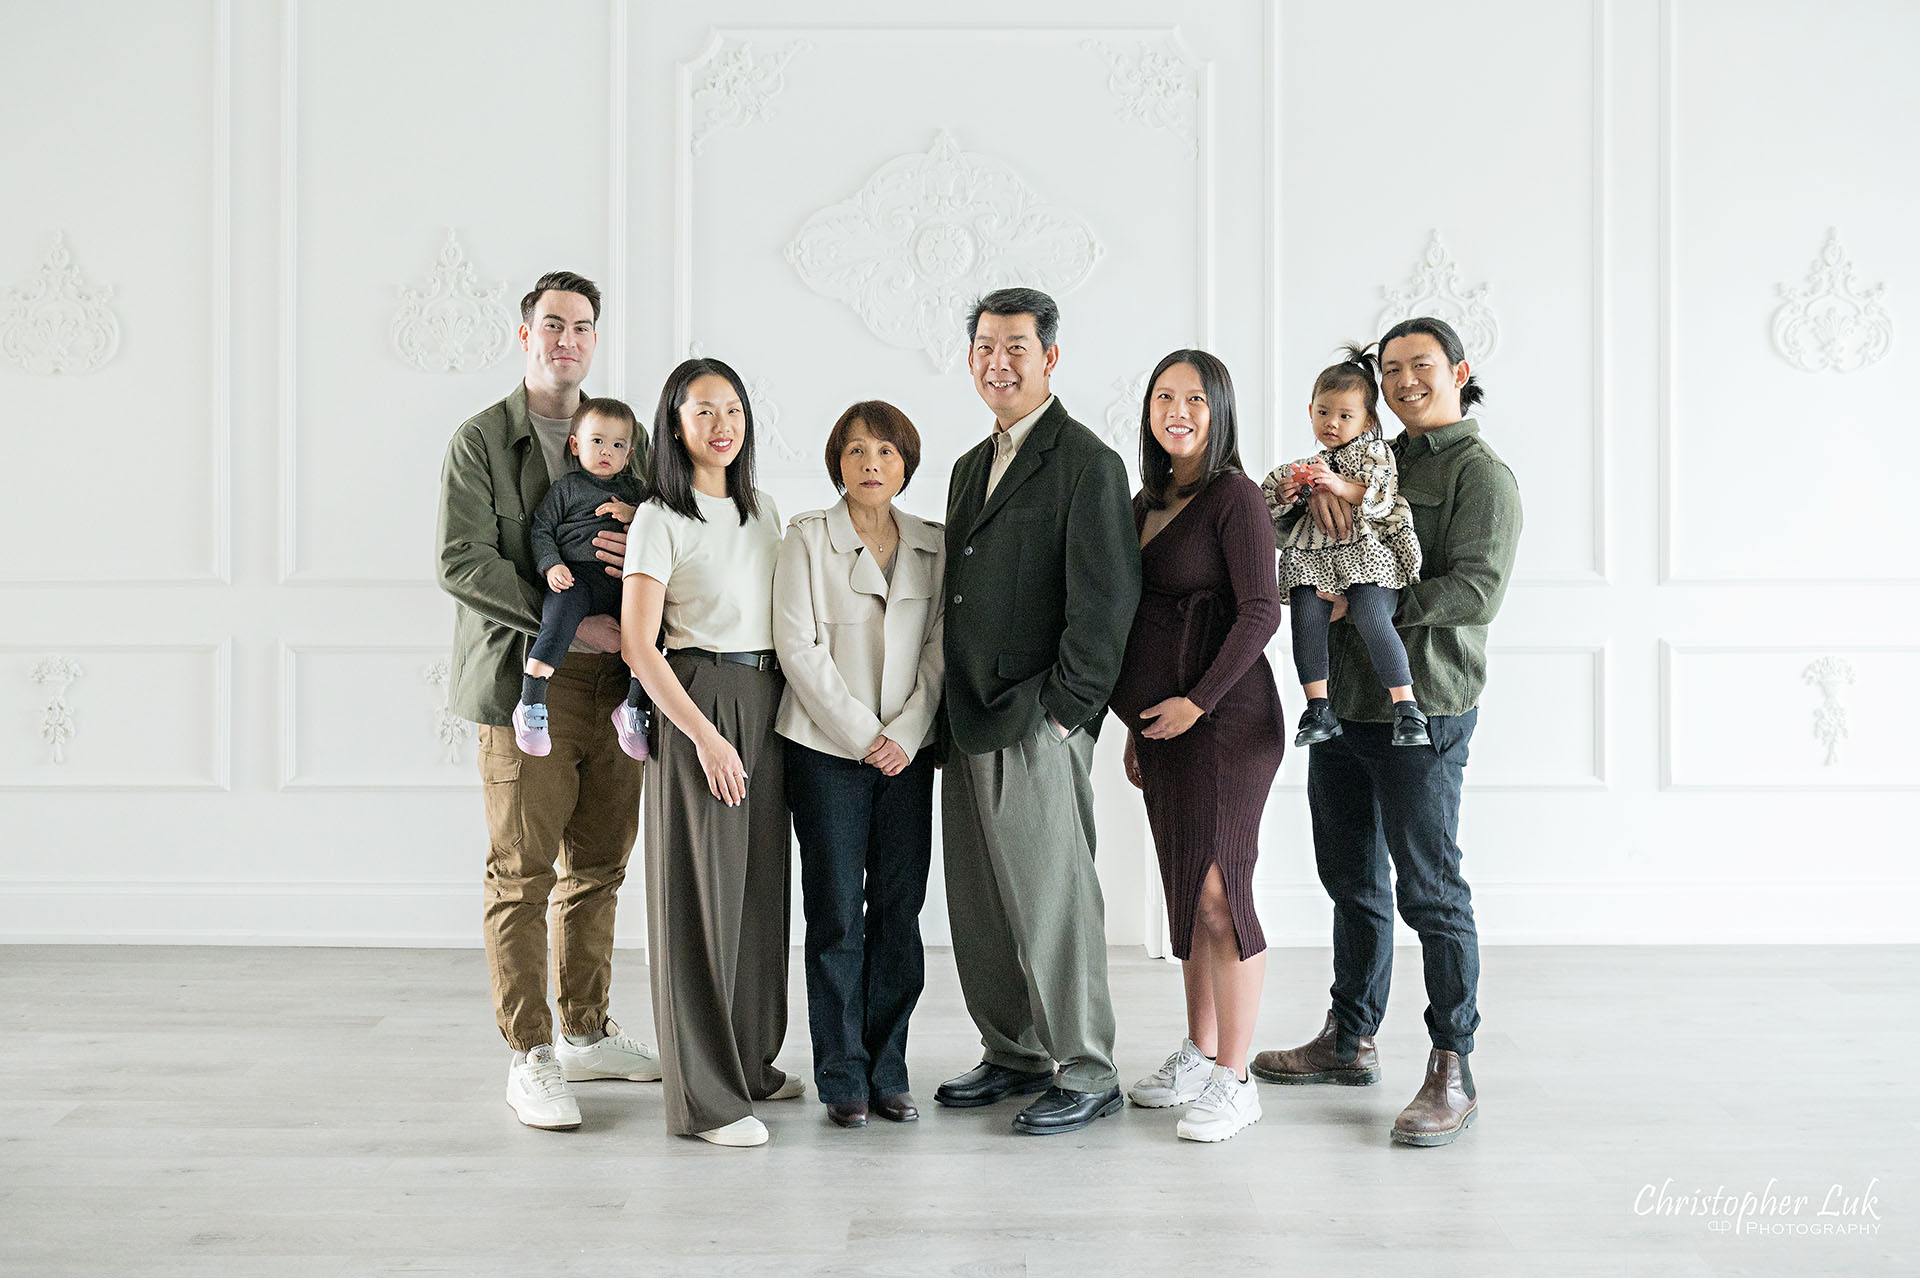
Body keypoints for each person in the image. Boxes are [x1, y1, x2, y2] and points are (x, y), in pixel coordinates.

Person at [1250, 316, 1523, 1148]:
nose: (1406, 380)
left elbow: (1475, 591)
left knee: (1429, 890)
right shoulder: (1365, 456)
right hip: (1345, 706)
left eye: (1423, 366)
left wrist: (1373, 601)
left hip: (1425, 707)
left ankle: (1452, 1062)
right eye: (1393, 369)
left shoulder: (1483, 476)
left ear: (1459, 372)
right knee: (1351, 880)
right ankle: (1350, 1036)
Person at [435, 270, 660, 1132]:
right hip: (528, 678)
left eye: (584, 327)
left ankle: (588, 1032)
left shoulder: (623, 438)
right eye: (554, 324)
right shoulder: (482, 440)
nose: (569, 339)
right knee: (522, 872)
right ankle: (530, 1052)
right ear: (525, 333)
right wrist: (567, 621)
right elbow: (462, 561)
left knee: (600, 865)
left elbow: (662, 533)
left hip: (619, 685)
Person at [934, 287, 1142, 1136]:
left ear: (1049, 358)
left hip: (1034, 721)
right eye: (985, 347)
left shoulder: (1088, 463)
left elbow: (1107, 602)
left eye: (1016, 347)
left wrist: (1065, 714)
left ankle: (1088, 1067)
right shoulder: (965, 467)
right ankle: (1013, 1048)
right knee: (979, 903)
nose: (999, 362)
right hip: (965, 717)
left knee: (1055, 900)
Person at [621, 356, 799, 1148]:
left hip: (769, 701)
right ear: (676, 425)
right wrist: (703, 734)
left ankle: (750, 1065)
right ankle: (706, 1101)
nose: (722, 424)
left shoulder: (765, 511)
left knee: (760, 891)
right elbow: (637, 644)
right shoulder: (660, 517)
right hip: (701, 700)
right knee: (698, 900)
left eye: (732, 408)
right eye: (702, 411)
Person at [1109, 350, 1284, 1143]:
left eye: (1193, 398)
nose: (1176, 410)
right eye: (1163, 396)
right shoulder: (1146, 500)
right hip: (1169, 730)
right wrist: (1139, 728)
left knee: (1221, 897)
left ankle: (1235, 1077)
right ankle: (1199, 1050)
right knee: (1187, 891)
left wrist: (1196, 702)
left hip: (1229, 722)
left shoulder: (1234, 497)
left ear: (1219, 410)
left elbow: (1261, 613)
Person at [772, 401, 945, 1130]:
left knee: (899, 913)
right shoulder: (806, 539)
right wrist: (862, 734)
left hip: (908, 753)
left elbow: (942, 649)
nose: (870, 464)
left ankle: (890, 1067)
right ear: (836, 463)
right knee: (837, 912)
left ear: (906, 461)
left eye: (885, 451)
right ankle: (841, 1074)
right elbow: (797, 647)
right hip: (825, 751)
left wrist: (903, 733)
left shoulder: (935, 544)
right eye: (854, 451)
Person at [1261, 347, 1428, 750]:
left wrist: (1336, 486)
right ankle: (1317, 706)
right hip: (1315, 557)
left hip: (1364, 555)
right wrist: (1288, 493)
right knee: (1305, 615)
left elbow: (1381, 494)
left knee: (1372, 613)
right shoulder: (1309, 463)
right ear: (1310, 410)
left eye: (1344, 416)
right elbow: (1267, 504)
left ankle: (1406, 706)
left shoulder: (1373, 452)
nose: (1331, 423)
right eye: (1323, 412)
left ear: (1368, 420)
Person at [514, 396, 653, 761]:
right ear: (575, 445)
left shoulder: (638, 492)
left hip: (624, 584)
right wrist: (552, 565)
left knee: (650, 632)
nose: (607, 451)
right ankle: (530, 704)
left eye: (618, 445)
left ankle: (635, 707)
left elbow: (663, 525)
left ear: (629, 453)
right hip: (576, 578)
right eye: (597, 441)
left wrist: (635, 514)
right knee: (557, 621)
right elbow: (541, 529)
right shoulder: (567, 489)